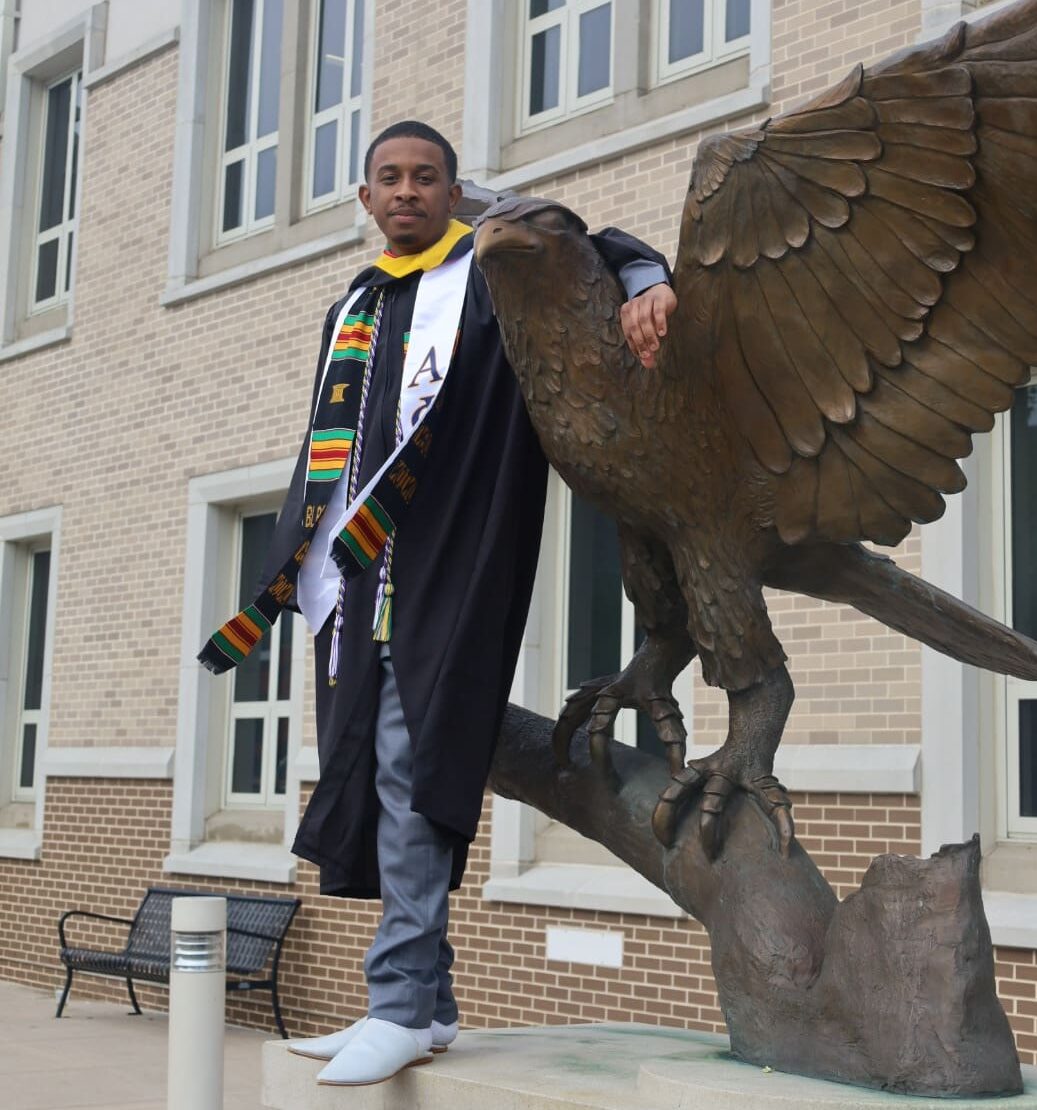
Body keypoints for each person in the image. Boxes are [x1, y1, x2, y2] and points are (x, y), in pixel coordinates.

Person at [199, 120, 676, 1087]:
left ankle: (399, 1004)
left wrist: (644, 278)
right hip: (359, 580)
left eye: (426, 177)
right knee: (380, 774)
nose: (407, 191)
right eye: (390, 177)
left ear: (455, 193)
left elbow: (587, 244)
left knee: (412, 772)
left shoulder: (487, 275)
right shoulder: (356, 302)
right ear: (366, 198)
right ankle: (432, 1004)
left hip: (449, 559)